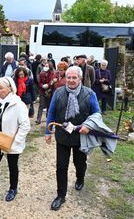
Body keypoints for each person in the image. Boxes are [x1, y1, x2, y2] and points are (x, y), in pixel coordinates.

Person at [45, 66, 100, 211]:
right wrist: (47, 131)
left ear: (80, 79)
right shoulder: (58, 92)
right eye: (68, 77)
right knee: (61, 167)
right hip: (62, 136)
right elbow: (51, 113)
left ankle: (80, 177)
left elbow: (97, 115)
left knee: (79, 163)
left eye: (74, 77)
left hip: (81, 137)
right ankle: (60, 195)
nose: (71, 80)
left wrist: (88, 126)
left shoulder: (90, 94)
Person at [0, 77, 30, 202]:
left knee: (12, 166)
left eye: (1, 88)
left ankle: (13, 189)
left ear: (10, 88)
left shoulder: (19, 105)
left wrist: (16, 141)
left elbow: (25, 126)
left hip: (11, 141)